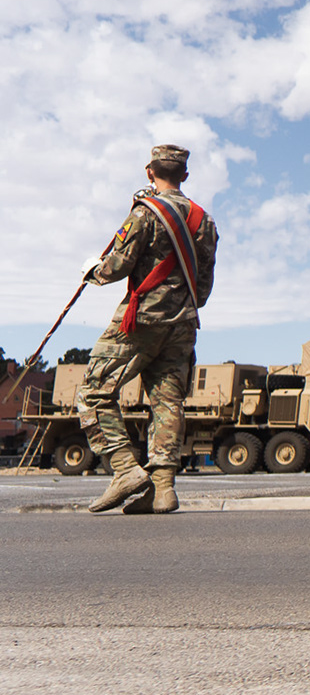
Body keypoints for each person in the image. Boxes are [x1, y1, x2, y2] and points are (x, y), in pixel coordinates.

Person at [76, 144, 219, 515]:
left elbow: (116, 268)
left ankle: (124, 468)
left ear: (149, 171)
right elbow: (203, 285)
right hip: (184, 323)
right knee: (167, 402)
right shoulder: (203, 220)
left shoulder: (144, 213)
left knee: (93, 392)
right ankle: (163, 489)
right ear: (184, 176)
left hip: (141, 321)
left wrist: (92, 269)